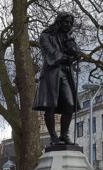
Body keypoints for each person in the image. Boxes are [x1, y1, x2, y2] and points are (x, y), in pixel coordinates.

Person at [33, 12, 80, 145]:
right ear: (59, 22)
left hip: (66, 73)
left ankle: (64, 135)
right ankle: (53, 136)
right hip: (51, 74)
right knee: (50, 105)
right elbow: (51, 54)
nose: (68, 25)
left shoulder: (68, 37)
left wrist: (72, 47)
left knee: (70, 104)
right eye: (66, 22)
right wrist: (66, 57)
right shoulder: (46, 35)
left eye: (71, 23)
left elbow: (77, 52)